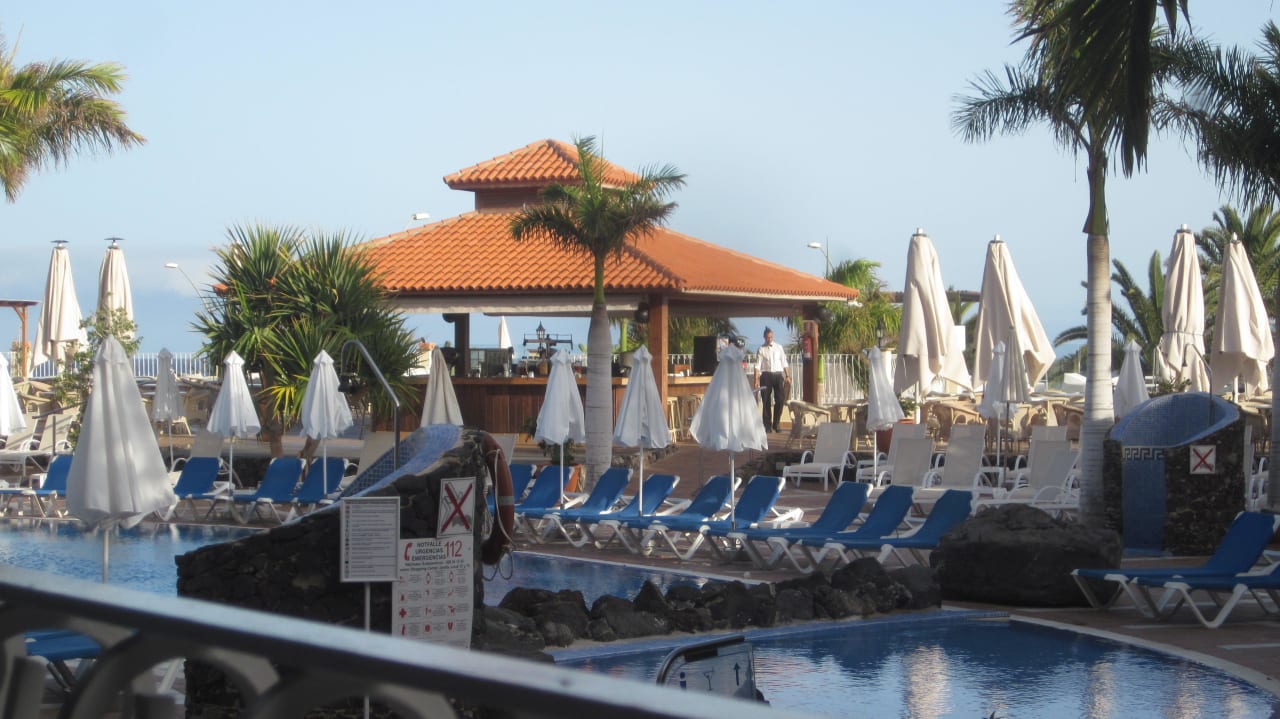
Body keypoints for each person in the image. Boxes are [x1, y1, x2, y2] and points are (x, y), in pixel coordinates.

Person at [753, 327, 789, 433]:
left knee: (780, 400)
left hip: (778, 375)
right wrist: (756, 380)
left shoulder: (779, 347)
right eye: (767, 337)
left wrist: (787, 376)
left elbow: (784, 362)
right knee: (766, 401)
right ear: (764, 337)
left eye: (771, 337)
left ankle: (776, 424)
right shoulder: (761, 349)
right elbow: (757, 366)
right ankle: (767, 426)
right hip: (766, 376)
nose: (769, 339)